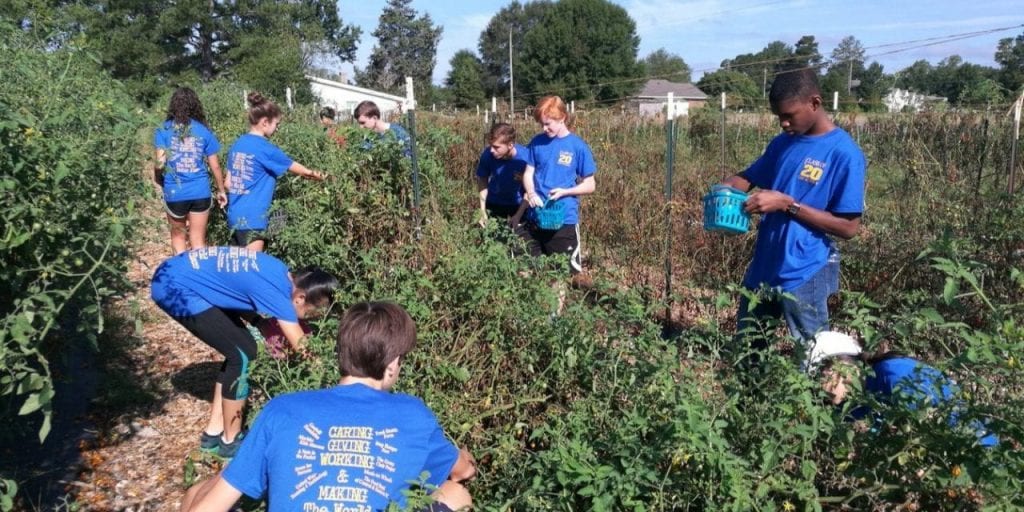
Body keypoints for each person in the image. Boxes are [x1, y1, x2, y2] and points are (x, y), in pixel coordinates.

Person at [180, 301, 476, 512]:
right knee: (456, 495)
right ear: (392, 364)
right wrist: (461, 457)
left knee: (195, 492)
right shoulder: (413, 414)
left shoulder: (282, 410)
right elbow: (462, 473)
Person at [718, 69, 866, 355]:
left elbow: (848, 228)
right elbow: (749, 177)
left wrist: (787, 204)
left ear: (815, 103)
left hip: (806, 269)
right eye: (779, 117)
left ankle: (821, 400)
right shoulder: (782, 143)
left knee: (814, 354)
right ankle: (748, 399)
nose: (784, 123)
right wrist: (724, 189)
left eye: (790, 115)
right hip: (766, 264)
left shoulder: (844, 154)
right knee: (749, 350)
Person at [150, 246, 338, 458]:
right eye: (312, 313)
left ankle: (213, 434)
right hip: (174, 287)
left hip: (176, 273)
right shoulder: (278, 294)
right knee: (244, 353)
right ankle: (231, 441)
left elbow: (231, 290)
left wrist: (259, 323)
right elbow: (305, 350)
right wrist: (335, 383)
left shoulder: (279, 272)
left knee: (237, 350)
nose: (311, 318)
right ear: (300, 298)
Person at [809, 331, 998, 447]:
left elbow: (930, 431)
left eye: (820, 374)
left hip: (976, 452)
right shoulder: (854, 400)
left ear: (842, 364)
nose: (818, 385)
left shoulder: (892, 375)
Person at [226, 92, 326, 251]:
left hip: (235, 216)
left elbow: (228, 183)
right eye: (276, 124)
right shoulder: (265, 148)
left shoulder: (238, 144)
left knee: (238, 268)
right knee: (253, 268)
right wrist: (324, 177)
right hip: (254, 219)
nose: (277, 129)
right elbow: (303, 172)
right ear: (265, 122)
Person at [519, 95, 597, 275]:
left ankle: (556, 305)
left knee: (559, 274)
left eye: (548, 124)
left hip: (564, 220)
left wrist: (565, 192)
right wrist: (531, 193)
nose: (544, 129)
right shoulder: (537, 142)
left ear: (562, 118)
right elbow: (528, 173)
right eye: (542, 124)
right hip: (536, 218)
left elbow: (590, 184)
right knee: (528, 270)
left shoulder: (577, 146)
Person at [153, 87, 226, 254]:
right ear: (195, 106)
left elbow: (160, 163)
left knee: (178, 238)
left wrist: (158, 178)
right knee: (198, 242)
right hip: (200, 191)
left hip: (175, 192)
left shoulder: (163, 129)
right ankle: (198, 277)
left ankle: (181, 278)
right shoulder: (203, 130)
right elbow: (215, 166)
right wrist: (221, 190)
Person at [475, 122, 528, 227]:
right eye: (490, 145)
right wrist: (482, 211)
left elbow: (530, 189)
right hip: (494, 203)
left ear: (510, 145)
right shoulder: (487, 155)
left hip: (519, 205)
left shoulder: (525, 158)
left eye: (496, 147)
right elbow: (482, 181)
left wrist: (518, 215)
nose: (491, 150)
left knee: (518, 241)